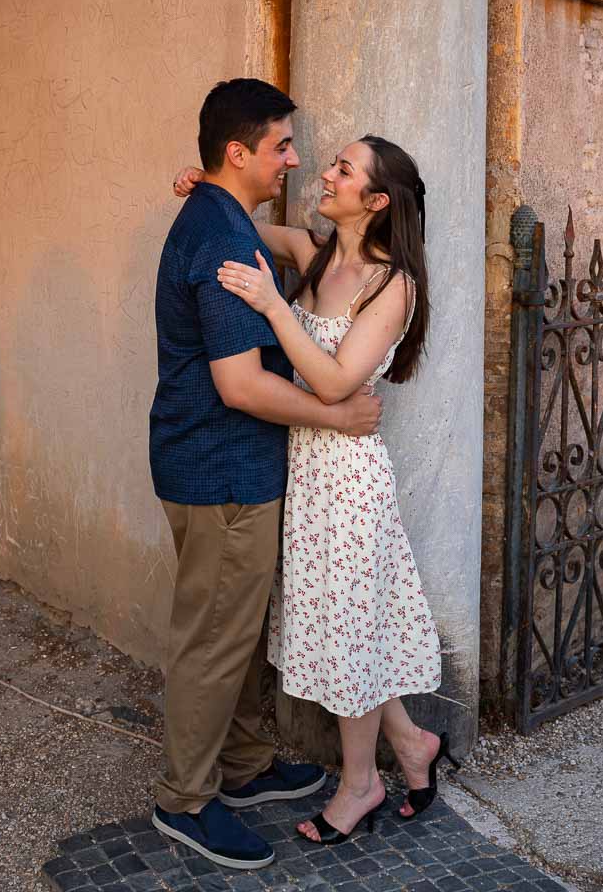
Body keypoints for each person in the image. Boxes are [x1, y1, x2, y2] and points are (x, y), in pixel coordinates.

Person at [174, 134, 451, 847]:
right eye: (330, 163)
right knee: (352, 625)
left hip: (349, 482)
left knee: (351, 631)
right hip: (301, 467)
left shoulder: (392, 286)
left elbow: (334, 382)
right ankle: (414, 748)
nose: (325, 174)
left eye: (343, 170)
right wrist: (202, 190)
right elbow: (237, 225)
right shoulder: (311, 250)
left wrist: (273, 307)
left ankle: (361, 785)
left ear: (377, 200)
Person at [149, 80, 383, 870]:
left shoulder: (228, 218)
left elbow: (288, 250)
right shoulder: (220, 238)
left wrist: (202, 184)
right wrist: (341, 416)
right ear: (238, 153)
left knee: (239, 630)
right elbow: (240, 385)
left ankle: (244, 766)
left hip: (234, 468)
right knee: (214, 638)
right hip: (218, 471)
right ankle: (185, 799)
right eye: (283, 146)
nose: (296, 160)